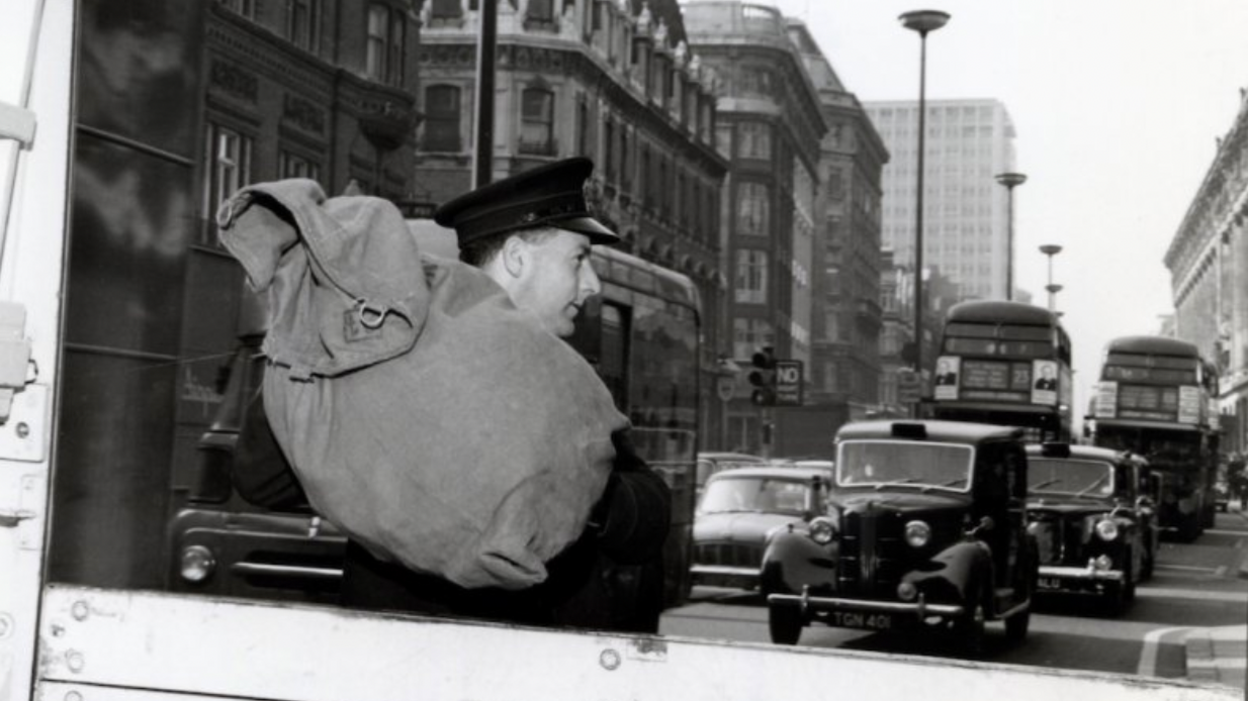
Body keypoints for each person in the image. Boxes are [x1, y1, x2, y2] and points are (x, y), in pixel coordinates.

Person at [233, 157, 671, 633]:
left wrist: (578, 494)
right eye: (578, 258)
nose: (592, 285)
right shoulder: (390, 356)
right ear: (519, 257)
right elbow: (260, 480)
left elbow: (648, 519)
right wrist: (317, 332)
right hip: (414, 659)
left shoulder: (570, 384)